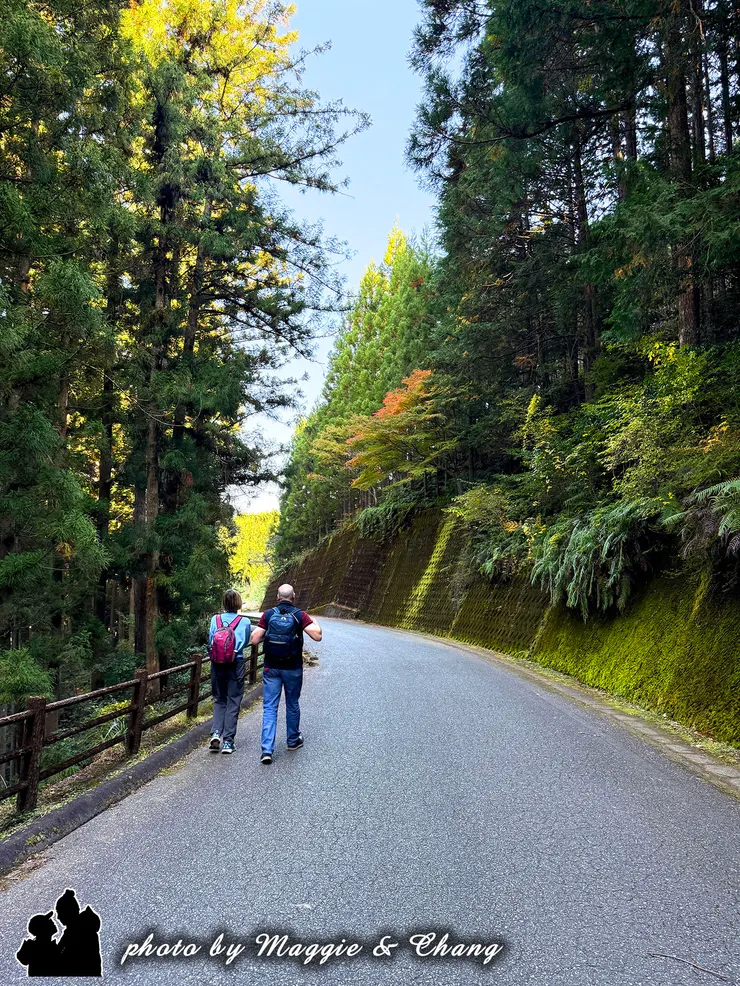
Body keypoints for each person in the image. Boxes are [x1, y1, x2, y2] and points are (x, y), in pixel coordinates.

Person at [250, 584, 322, 764]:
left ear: (277, 597)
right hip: (293, 668)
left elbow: (254, 639)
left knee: (269, 707)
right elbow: (317, 636)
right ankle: (292, 741)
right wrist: (315, 622)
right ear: (294, 597)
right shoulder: (299, 615)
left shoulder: (268, 614)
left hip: (271, 668)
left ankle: (266, 750)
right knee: (292, 703)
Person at [208, 588, 251, 755]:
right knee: (234, 700)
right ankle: (228, 742)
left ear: (224, 603)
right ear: (238, 603)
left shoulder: (215, 619)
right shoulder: (245, 621)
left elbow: (211, 640)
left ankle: (216, 733)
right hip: (236, 662)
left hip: (217, 663)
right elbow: (245, 641)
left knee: (219, 699)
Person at [55, 888, 103, 976]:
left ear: (68, 912)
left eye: (59, 912)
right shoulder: (84, 926)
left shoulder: (74, 932)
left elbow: (58, 955)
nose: (58, 917)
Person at [16, 912, 60, 977]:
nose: (52, 921)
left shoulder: (47, 946)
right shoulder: (37, 949)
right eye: (48, 921)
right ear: (41, 928)